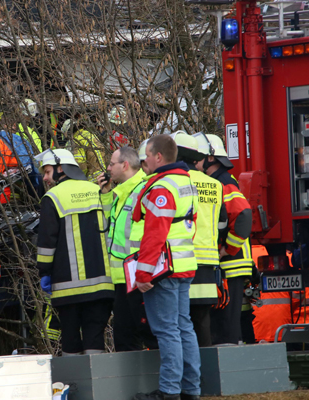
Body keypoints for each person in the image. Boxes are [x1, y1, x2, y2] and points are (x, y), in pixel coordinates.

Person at [132, 135, 201, 400]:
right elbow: (189, 225)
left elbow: (154, 235)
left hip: (163, 270)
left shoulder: (162, 188)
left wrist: (143, 273)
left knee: (167, 330)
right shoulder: (185, 181)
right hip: (183, 265)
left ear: (157, 156)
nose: (143, 162)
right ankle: (190, 389)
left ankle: (169, 391)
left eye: (146, 156)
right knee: (183, 327)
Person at [36, 149, 114, 356]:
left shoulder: (52, 197)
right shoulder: (98, 190)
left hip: (66, 287)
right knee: (95, 336)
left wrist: (44, 272)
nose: (45, 178)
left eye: (47, 171)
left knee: (69, 337)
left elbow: (46, 243)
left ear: (61, 168)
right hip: (102, 284)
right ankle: (96, 384)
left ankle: (75, 385)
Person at [194, 133, 253, 345]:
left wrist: (228, 249)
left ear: (210, 158)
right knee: (224, 323)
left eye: (197, 157)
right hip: (229, 262)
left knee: (226, 325)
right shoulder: (218, 181)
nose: (193, 162)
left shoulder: (224, 182)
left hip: (232, 261)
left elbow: (243, 215)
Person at [98, 147, 156, 351]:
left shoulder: (143, 189)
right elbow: (110, 226)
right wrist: (105, 196)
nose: (108, 168)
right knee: (124, 337)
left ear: (124, 165)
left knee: (147, 336)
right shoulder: (121, 191)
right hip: (123, 278)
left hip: (139, 277)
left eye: (111, 164)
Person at [172, 132, 224, 347]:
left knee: (177, 324)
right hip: (209, 262)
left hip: (181, 261)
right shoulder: (215, 184)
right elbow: (222, 223)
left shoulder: (175, 181)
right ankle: (205, 374)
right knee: (202, 322)